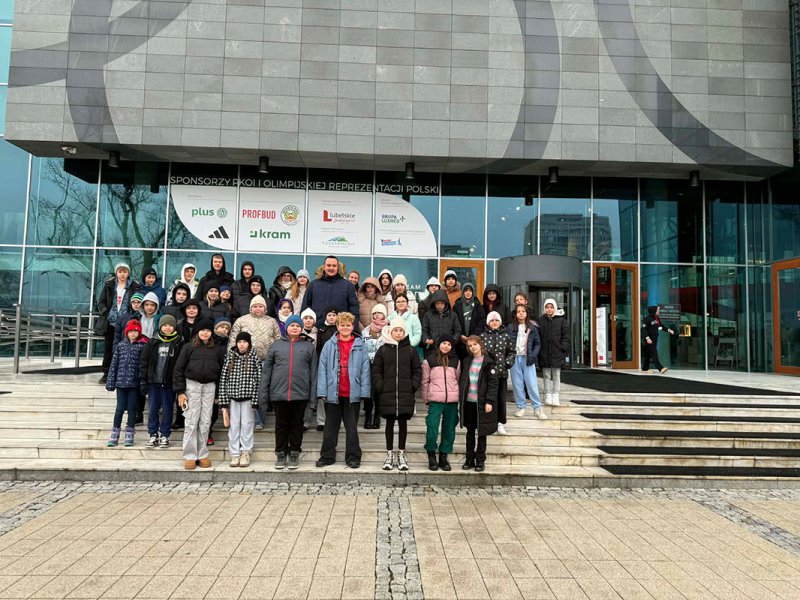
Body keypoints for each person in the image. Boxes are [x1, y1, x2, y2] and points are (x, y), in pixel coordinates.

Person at [260, 315, 318, 470]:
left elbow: (314, 373)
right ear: (286, 328)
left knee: (297, 425)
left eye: (298, 326)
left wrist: (313, 397)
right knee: (281, 425)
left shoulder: (308, 346)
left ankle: (294, 452)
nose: (295, 328)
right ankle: (280, 452)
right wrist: (263, 395)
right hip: (279, 393)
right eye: (292, 325)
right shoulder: (276, 345)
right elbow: (266, 372)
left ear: (301, 328)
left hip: (300, 393)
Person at [315, 312, 371, 469]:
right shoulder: (329, 345)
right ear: (337, 326)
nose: (345, 327)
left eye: (348, 325)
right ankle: (327, 456)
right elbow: (322, 368)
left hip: (352, 393)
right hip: (333, 393)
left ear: (352, 326)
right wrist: (322, 391)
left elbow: (365, 369)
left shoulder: (360, 345)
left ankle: (353, 456)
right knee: (330, 427)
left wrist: (364, 391)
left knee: (351, 428)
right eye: (342, 325)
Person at [173, 318, 225, 470]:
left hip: (210, 387)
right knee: (191, 421)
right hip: (192, 386)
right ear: (197, 331)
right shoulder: (188, 347)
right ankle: (190, 455)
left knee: (205, 421)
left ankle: (202, 454)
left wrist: (219, 393)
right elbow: (178, 370)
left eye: (208, 330)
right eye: (202, 330)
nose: (205, 333)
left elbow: (222, 372)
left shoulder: (217, 349)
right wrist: (180, 392)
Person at [373, 317, 421, 471]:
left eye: (401, 330)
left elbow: (417, 370)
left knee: (402, 424)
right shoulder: (383, 350)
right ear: (391, 331)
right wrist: (380, 386)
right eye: (396, 330)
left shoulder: (411, 350)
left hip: (405, 393)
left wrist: (413, 386)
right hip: (387, 394)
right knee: (389, 424)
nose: (398, 333)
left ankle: (401, 454)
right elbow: (376, 370)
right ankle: (389, 454)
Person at [219, 331, 262, 468]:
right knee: (234, 425)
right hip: (233, 398)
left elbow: (258, 381)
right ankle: (235, 453)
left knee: (247, 425)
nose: (242, 344)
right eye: (239, 342)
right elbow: (223, 379)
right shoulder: (230, 357)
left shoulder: (254, 358)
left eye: (244, 342)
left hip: (248, 398)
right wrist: (223, 401)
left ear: (249, 343)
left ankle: (245, 452)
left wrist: (255, 401)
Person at [139, 314, 182, 449]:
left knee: (168, 410)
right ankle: (153, 434)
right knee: (153, 410)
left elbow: (181, 365)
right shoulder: (152, 342)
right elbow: (144, 362)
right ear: (160, 327)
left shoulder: (178, 343)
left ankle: (165, 434)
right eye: (165, 325)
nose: (167, 328)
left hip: (169, 384)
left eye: (170, 325)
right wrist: (143, 380)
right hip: (153, 383)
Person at [105, 319, 148, 447]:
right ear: (126, 332)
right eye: (131, 331)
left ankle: (130, 433)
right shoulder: (120, 346)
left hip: (134, 384)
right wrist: (110, 382)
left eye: (136, 331)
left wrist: (143, 382)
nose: (133, 333)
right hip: (121, 384)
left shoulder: (142, 346)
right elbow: (114, 365)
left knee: (132, 409)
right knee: (119, 409)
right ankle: (115, 433)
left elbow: (143, 365)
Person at [458, 336, 498, 471]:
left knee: (482, 432)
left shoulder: (488, 362)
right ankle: (469, 459)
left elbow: (493, 384)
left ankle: (480, 460)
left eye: (475, 344)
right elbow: (463, 380)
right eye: (470, 346)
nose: (472, 347)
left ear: (480, 345)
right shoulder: (466, 361)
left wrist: (489, 401)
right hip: (468, 402)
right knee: (470, 432)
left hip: (481, 403)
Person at [422, 335, 460, 471]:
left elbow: (458, 379)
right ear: (439, 344)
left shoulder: (456, 361)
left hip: (452, 400)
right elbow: (425, 381)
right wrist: (426, 398)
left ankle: (444, 455)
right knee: (432, 426)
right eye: (444, 343)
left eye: (449, 344)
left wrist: (457, 396)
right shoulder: (429, 360)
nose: (446, 346)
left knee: (449, 429)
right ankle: (431, 453)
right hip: (435, 400)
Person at [96, 263, 139, 384]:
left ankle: (121, 373)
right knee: (108, 349)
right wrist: (105, 311)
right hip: (110, 323)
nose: (122, 274)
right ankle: (106, 374)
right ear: (116, 273)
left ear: (128, 273)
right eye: (120, 271)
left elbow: (137, 301)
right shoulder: (109, 285)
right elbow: (101, 301)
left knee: (125, 349)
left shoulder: (134, 286)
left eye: (125, 271)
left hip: (126, 323)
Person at [481, 311, 515, 435]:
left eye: (496, 320)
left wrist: (507, 363)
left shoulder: (506, 336)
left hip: (501, 373)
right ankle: (489, 423)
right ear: (488, 322)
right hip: (487, 375)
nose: (494, 323)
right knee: (489, 398)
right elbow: (479, 352)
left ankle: (500, 423)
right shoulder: (483, 336)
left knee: (501, 399)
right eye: (492, 320)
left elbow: (511, 352)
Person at [509, 305, 545, 420]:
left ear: (526, 313)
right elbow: (507, 342)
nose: (520, 313)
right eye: (518, 311)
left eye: (523, 311)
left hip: (528, 358)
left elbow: (537, 343)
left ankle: (537, 408)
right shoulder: (510, 327)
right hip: (515, 358)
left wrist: (533, 355)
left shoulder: (532, 327)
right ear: (515, 314)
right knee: (517, 384)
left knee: (531, 383)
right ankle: (521, 407)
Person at [302, 256, 359, 327]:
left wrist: (354, 328)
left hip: (341, 329)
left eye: (334, 266)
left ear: (338, 267)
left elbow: (354, 309)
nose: (331, 268)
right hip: (317, 328)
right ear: (324, 267)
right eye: (328, 265)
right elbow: (305, 308)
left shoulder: (348, 286)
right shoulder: (313, 285)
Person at [308, 307, 339, 432]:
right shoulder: (321, 331)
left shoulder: (340, 329)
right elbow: (318, 348)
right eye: (329, 315)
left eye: (334, 315)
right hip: (324, 364)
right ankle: (321, 420)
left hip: (338, 365)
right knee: (322, 393)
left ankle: (335, 420)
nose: (331, 317)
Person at [228, 295, 281, 361]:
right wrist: (232, 358)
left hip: (268, 360)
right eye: (255, 306)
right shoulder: (241, 321)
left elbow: (278, 339)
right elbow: (233, 339)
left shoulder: (272, 321)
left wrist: (278, 356)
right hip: (246, 360)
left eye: (260, 306)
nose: (258, 308)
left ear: (265, 308)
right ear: (251, 308)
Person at [537, 298, 570, 406]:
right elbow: (538, 337)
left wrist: (563, 347)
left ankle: (555, 395)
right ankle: (547, 395)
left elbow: (566, 336)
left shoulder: (562, 320)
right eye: (547, 307)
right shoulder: (541, 320)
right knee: (546, 375)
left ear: (555, 308)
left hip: (557, 352)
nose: (549, 309)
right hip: (544, 352)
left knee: (556, 375)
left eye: (551, 307)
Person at [361, 303, 388, 430]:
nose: (377, 315)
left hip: (383, 366)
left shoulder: (388, 329)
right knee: (368, 391)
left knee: (379, 391)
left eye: (379, 313)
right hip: (368, 365)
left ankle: (377, 415)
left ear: (384, 315)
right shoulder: (366, 330)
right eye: (375, 313)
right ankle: (368, 416)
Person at [421, 290, 462, 357]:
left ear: (446, 303)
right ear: (434, 304)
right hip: (432, 350)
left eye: (442, 303)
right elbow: (424, 330)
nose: (439, 305)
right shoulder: (428, 315)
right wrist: (426, 339)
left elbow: (458, 331)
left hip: (448, 350)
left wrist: (452, 341)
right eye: (437, 303)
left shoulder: (453, 315)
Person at [454, 283, 486, 358]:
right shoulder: (457, 305)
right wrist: (460, 335)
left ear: (473, 292)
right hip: (460, 341)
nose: (468, 293)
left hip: (474, 342)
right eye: (466, 291)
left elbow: (481, 322)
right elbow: (454, 322)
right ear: (463, 292)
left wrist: (473, 336)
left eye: (470, 291)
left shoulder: (478, 305)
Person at [642, 305, 674, 374]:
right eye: (658, 310)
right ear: (654, 311)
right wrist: (647, 338)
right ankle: (660, 368)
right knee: (654, 353)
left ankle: (645, 368)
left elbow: (661, 326)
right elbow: (644, 330)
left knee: (648, 354)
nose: (659, 311)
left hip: (654, 339)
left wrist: (669, 330)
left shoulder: (656, 318)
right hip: (649, 340)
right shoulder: (646, 319)